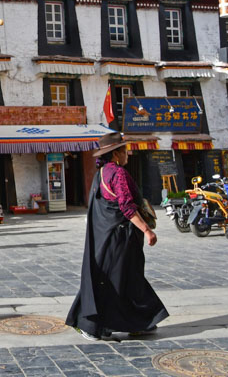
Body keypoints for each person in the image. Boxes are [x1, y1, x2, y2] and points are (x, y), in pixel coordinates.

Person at [66, 132, 168, 341]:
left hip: (106, 237)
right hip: (119, 239)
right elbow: (127, 207)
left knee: (127, 280)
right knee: (114, 281)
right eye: (125, 150)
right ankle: (91, 325)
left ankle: (140, 323)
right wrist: (147, 230)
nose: (128, 154)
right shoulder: (118, 174)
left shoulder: (102, 173)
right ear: (116, 153)